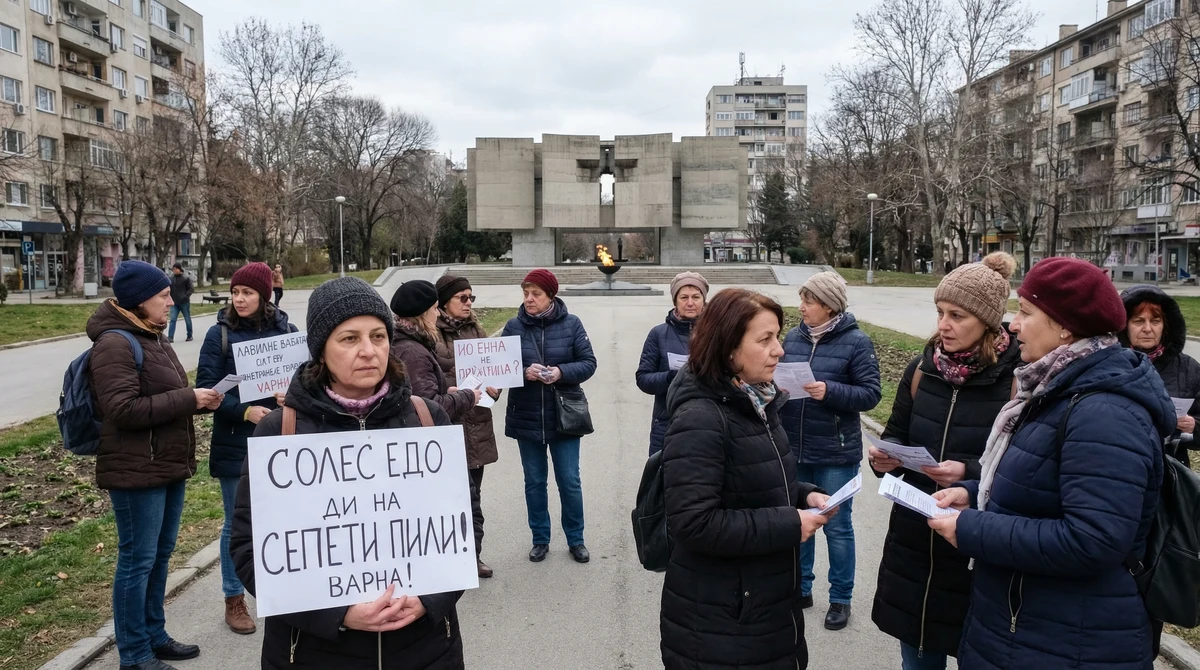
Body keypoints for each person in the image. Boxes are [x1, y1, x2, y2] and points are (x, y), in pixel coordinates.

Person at [929, 257, 1171, 669]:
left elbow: (1093, 540)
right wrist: (974, 494)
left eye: (1025, 312)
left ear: (1065, 326)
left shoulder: (1104, 412)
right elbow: (1045, 487)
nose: (1013, 325)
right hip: (1026, 627)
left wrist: (973, 528)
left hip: (1070, 641)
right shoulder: (1057, 388)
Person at [230, 277, 464, 669]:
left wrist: (430, 602)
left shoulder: (427, 419)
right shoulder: (279, 431)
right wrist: (337, 614)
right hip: (313, 653)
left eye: (377, 336)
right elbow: (249, 550)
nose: (369, 351)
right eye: (350, 339)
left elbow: (460, 530)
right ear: (321, 350)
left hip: (425, 650)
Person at [660, 288, 831, 670]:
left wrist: (804, 496)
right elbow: (695, 522)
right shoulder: (702, 418)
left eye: (778, 337)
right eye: (765, 340)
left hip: (763, 607)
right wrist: (789, 523)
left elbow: (750, 479)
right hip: (723, 622)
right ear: (729, 349)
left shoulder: (758, 400)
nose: (780, 350)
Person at [868, 252, 1022, 669]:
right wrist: (886, 459)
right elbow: (896, 433)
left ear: (988, 322)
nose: (943, 325)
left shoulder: (1018, 379)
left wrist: (966, 472)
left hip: (976, 546)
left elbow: (1024, 467)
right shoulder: (923, 368)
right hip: (915, 540)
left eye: (957, 315)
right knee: (918, 653)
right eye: (940, 312)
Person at [87, 259, 222, 670]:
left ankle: (154, 633)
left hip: (164, 465)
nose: (171, 301)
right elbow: (122, 409)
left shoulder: (153, 336)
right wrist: (188, 399)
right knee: (137, 560)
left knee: (159, 556)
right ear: (141, 300)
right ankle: (134, 653)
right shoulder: (114, 343)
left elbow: (162, 399)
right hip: (135, 471)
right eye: (164, 296)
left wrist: (199, 402)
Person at [194, 262, 294, 636]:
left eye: (247, 292)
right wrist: (245, 410)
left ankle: (284, 588)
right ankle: (234, 598)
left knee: (284, 519)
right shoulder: (217, 335)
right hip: (236, 443)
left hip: (280, 440)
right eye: (235, 292)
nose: (238, 299)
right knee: (236, 524)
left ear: (264, 294)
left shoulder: (287, 331)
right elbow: (207, 391)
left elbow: (311, 377)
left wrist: (293, 394)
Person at [780, 271, 881, 631]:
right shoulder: (792, 337)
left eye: (808, 301)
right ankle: (801, 588)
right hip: (794, 447)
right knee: (800, 523)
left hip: (836, 453)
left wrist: (830, 391)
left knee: (837, 527)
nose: (802, 307)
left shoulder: (857, 342)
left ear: (829, 305)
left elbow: (871, 394)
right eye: (802, 299)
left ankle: (841, 598)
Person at [502, 269, 597, 563]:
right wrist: (523, 372)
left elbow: (589, 363)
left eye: (536, 294)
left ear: (550, 296)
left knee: (569, 481)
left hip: (565, 416)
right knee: (534, 481)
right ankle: (540, 539)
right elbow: (498, 370)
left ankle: (576, 539)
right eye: (526, 293)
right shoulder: (513, 326)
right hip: (526, 416)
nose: (529, 299)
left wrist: (561, 372)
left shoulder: (572, 324)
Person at [433, 274, 501, 579]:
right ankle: (444, 558)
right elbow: (428, 378)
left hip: (477, 424)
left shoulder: (475, 329)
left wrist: (495, 387)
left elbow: (493, 366)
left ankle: (473, 557)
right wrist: (457, 384)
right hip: (447, 424)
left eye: (471, 297)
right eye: (462, 298)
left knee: (474, 496)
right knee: (446, 496)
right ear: (444, 301)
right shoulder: (430, 332)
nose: (468, 303)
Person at [1119, 284, 1200, 465]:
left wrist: (1193, 426)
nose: (1148, 329)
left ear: (1165, 326)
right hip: (1119, 468)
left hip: (1169, 473)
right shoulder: (1106, 363)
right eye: (1138, 321)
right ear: (1124, 326)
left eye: (1155, 321)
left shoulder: (1189, 369)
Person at [635, 271, 709, 455]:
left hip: (709, 423)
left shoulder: (718, 334)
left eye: (695, 297)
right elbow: (643, 379)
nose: (690, 303)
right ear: (675, 301)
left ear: (704, 300)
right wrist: (672, 377)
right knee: (664, 479)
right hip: (668, 422)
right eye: (684, 297)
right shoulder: (658, 334)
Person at [390, 279, 480, 422]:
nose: (438, 314)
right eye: (434, 308)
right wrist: (466, 397)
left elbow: (422, 393)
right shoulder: (413, 353)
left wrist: (446, 392)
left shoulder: (410, 342)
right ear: (423, 313)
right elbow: (428, 408)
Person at [167, 263, 193, 343]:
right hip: (174, 303)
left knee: (187, 319)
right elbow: (168, 288)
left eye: (176, 269)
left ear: (179, 269)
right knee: (173, 319)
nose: (174, 270)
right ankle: (170, 337)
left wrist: (185, 296)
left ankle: (189, 335)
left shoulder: (186, 278)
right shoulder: (171, 278)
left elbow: (191, 289)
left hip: (184, 302)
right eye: (173, 269)